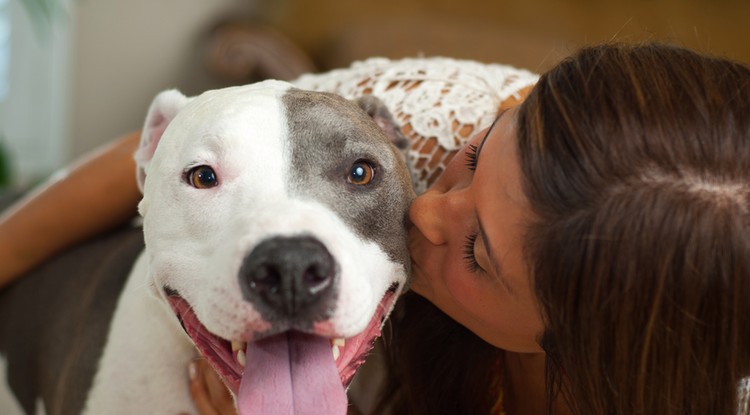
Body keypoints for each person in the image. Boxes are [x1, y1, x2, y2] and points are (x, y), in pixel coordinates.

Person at [1, 42, 749, 414]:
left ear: (588, 348)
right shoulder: (429, 114)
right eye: (473, 156)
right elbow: (177, 142)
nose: (422, 208)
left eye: (477, 252)